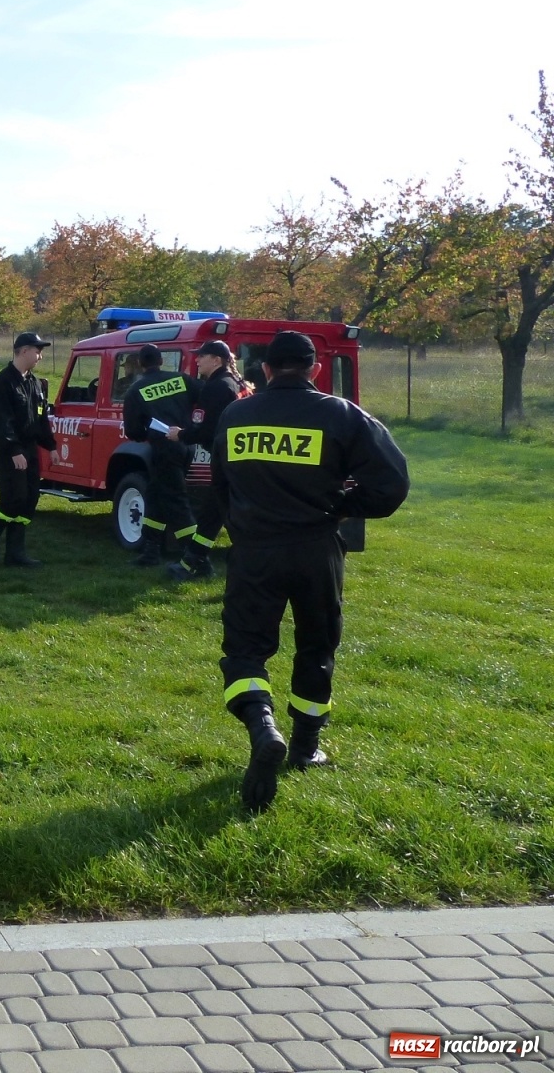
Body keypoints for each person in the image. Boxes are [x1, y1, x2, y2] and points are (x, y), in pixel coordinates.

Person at [211, 330, 409, 813]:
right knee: (317, 646)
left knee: (245, 650)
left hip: (255, 551)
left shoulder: (235, 414)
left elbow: (220, 487)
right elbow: (392, 483)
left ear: (265, 369)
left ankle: (263, 728)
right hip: (317, 548)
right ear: (315, 369)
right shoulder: (341, 414)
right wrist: (342, 505)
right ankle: (304, 747)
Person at [166, 339, 248, 579]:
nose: (197, 360)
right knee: (216, 512)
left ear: (217, 360)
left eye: (202, 356)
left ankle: (195, 563)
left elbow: (204, 429)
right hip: (240, 456)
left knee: (217, 511)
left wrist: (180, 434)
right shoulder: (237, 383)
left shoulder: (215, 388)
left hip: (225, 457)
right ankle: (195, 561)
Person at [0, 332, 56, 567]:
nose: (40, 357)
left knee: (30, 498)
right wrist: (14, 450)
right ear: (23, 351)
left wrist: (51, 446)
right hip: (8, 449)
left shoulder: (36, 384)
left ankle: (15, 552)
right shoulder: (2, 383)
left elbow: (41, 418)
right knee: (14, 497)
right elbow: (0, 421)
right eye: (37, 351)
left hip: (30, 448)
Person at [121, 343, 199, 566]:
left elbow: (133, 431)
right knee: (154, 497)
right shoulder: (182, 379)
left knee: (176, 501)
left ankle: (196, 557)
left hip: (164, 450)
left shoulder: (136, 391)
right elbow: (202, 396)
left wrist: (147, 429)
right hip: (186, 444)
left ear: (140, 364)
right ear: (161, 360)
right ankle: (151, 551)